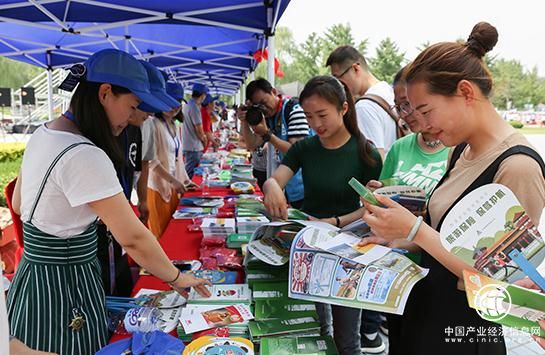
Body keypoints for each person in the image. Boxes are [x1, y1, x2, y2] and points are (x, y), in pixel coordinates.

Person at [8, 49, 211, 355]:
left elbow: (21, 204)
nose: (131, 119)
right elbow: (132, 238)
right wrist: (177, 277)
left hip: (32, 280)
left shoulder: (43, 133)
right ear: (105, 93)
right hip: (66, 288)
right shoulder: (85, 153)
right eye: (131, 107)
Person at [360, 22, 545, 355]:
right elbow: (445, 237)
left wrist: (414, 229)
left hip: (465, 331)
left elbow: (499, 282)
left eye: (426, 110)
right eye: (412, 112)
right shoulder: (461, 150)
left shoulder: (518, 167)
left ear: (466, 92)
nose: (421, 124)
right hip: (424, 311)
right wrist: (398, 238)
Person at [262, 75, 382, 354]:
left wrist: (336, 222)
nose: (316, 124)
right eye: (309, 116)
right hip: (312, 245)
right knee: (317, 326)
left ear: (343, 108)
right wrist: (271, 187)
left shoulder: (366, 153)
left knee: (347, 336)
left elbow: (371, 208)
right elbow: (276, 179)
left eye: (322, 115)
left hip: (351, 251)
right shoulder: (306, 148)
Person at [368, 68, 449, 197]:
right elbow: (384, 194)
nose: (403, 115)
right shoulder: (399, 147)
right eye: (398, 107)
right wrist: (376, 194)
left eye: (407, 104)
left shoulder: (460, 147)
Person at [238, 78, 310, 208]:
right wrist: (244, 121)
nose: (263, 108)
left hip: (305, 188)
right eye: (258, 105)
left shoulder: (294, 110)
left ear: (274, 92)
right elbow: (252, 145)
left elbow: (296, 151)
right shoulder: (268, 117)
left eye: (264, 102)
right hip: (287, 187)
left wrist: (267, 135)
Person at [326, 45, 397, 159]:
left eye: (338, 78)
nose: (339, 85)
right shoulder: (389, 91)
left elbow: (376, 162)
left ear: (356, 69)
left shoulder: (364, 107)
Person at [147, 82, 198, 238]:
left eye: (178, 103)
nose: (174, 107)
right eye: (170, 102)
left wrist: (185, 180)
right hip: (158, 187)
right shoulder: (153, 124)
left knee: (172, 230)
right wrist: (173, 181)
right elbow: (151, 161)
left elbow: (178, 159)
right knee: (161, 234)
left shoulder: (174, 125)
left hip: (173, 186)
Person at [182, 83, 209, 178]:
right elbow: (199, 130)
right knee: (190, 175)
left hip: (188, 145)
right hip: (194, 147)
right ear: (203, 95)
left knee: (188, 172)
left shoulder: (187, 105)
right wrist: (204, 140)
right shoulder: (194, 107)